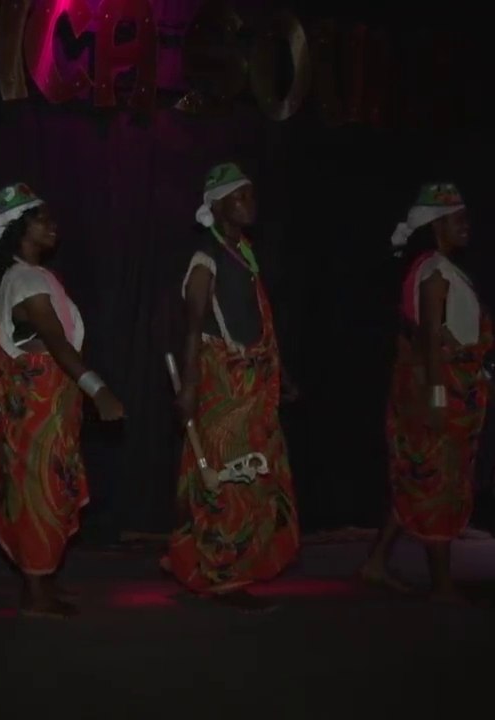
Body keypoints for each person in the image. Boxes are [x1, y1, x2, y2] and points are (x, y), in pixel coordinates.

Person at [0, 182, 125, 619]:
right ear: (21, 228)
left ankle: (42, 584)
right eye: (42, 218)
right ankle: (36, 594)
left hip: (49, 411)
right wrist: (98, 389)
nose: (52, 226)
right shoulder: (24, 280)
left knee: (45, 492)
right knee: (36, 494)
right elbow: (57, 344)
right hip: (37, 415)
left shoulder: (33, 277)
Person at [164, 162, 301, 613]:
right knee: (225, 474)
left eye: (251, 195)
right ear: (217, 205)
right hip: (224, 386)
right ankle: (223, 575)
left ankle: (195, 558)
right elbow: (192, 328)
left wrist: (280, 377)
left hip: (253, 385)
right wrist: (187, 387)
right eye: (240, 196)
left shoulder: (243, 252)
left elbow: (259, 322)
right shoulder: (206, 257)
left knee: (253, 475)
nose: (250, 203)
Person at [362, 182, 494, 603]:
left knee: (420, 476)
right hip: (439, 393)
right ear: (437, 224)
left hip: (452, 389)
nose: (466, 226)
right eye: (459, 219)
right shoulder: (434, 272)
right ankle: (442, 583)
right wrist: (439, 398)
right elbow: (431, 342)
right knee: (439, 481)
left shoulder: (441, 269)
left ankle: (377, 561)